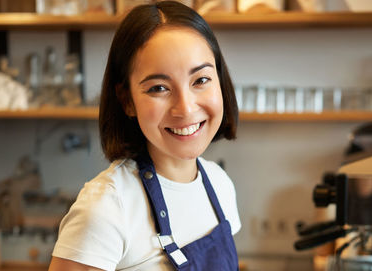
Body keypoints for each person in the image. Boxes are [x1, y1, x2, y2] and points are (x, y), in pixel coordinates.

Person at [48, 1, 240, 270]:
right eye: (159, 88)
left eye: (200, 80)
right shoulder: (107, 208)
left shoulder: (220, 186)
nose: (185, 108)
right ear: (127, 101)